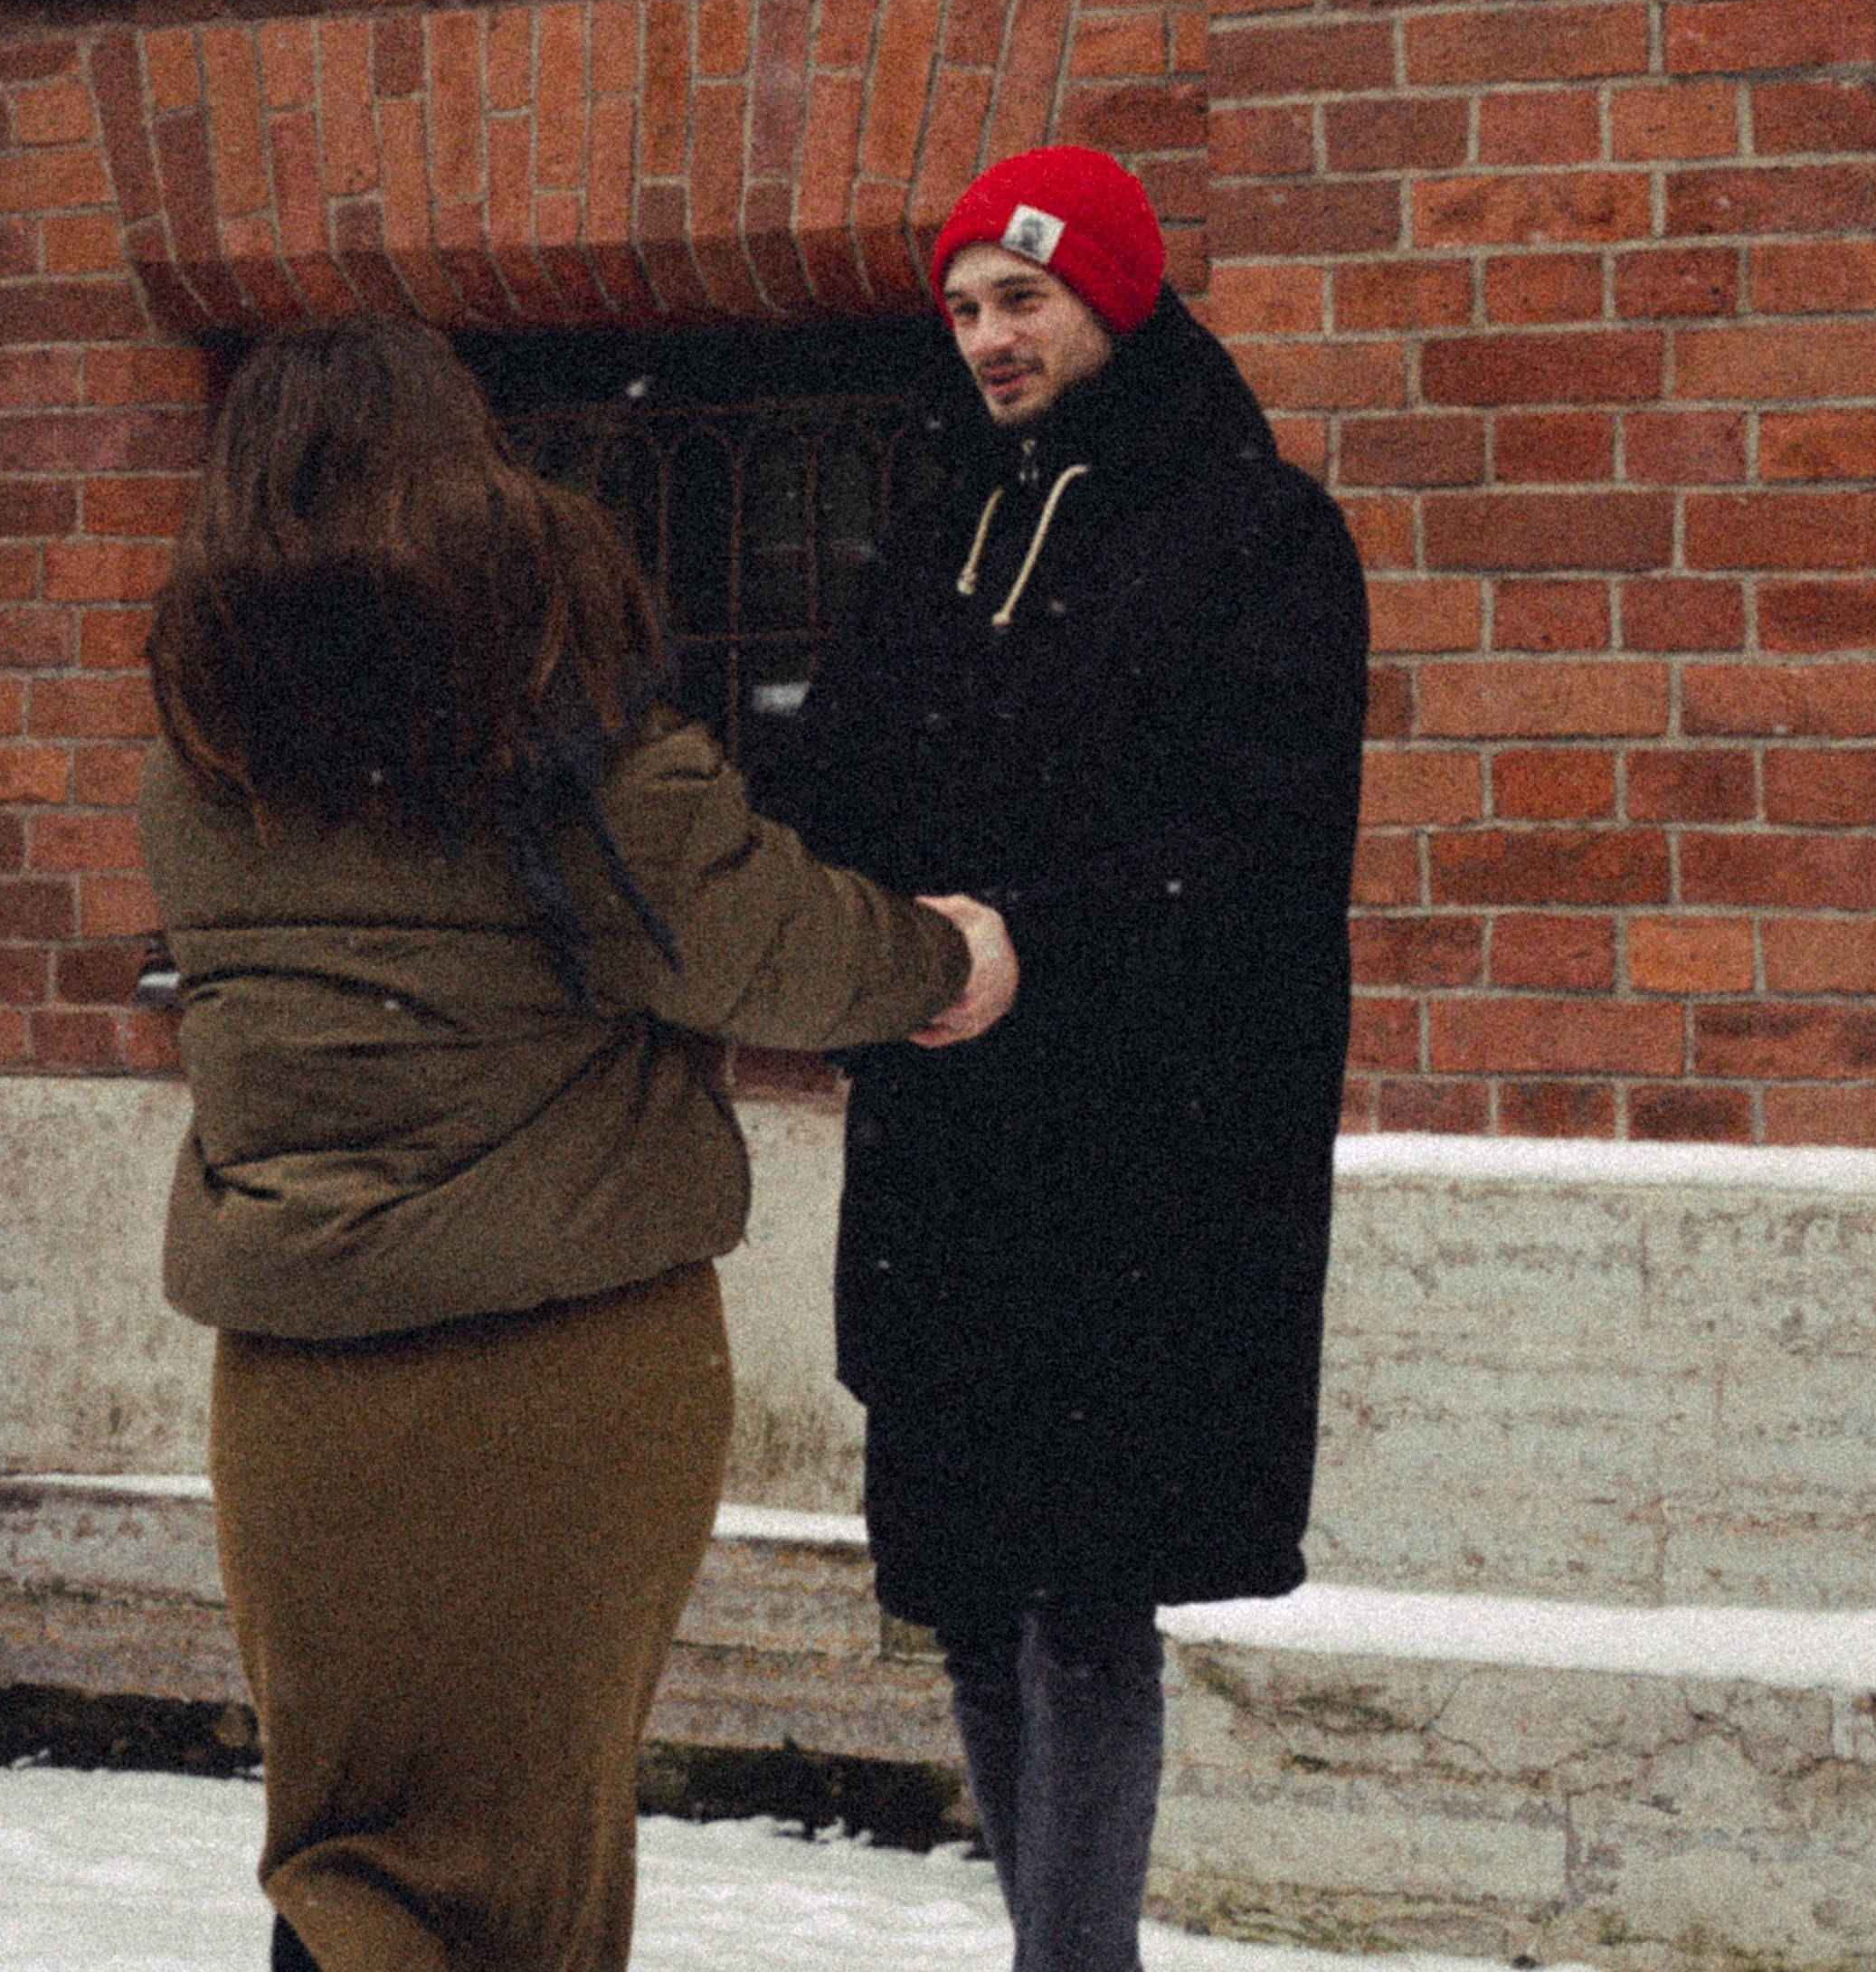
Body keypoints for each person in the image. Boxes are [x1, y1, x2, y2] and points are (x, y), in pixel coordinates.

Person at [135, 315, 1018, 1972]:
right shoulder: (536, 723)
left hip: (294, 1388)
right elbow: (745, 938)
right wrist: (946, 956)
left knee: (351, 1870)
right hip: (551, 1378)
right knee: (524, 1881)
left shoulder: (201, 761)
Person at [780, 143, 1369, 1972]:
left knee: (1087, 1600)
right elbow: (844, 787)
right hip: (950, 1135)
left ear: (1111, 296)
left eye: (1019, 298)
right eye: (962, 307)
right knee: (965, 1587)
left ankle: (1075, 1957)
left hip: (1144, 1149)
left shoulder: (1254, 532)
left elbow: (1264, 844)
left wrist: (1042, 927)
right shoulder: (934, 528)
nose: (985, 339)